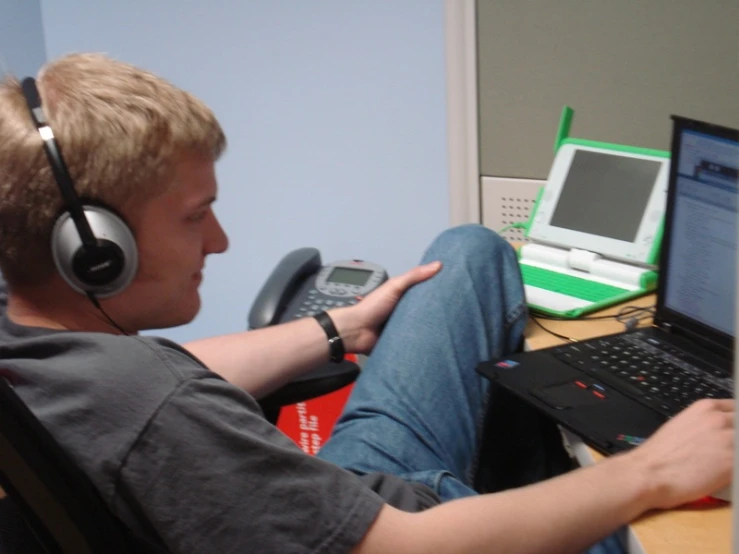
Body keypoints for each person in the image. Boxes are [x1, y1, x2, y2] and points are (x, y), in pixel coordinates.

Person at [0, 53, 732, 554]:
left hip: (328, 501)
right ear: (96, 247)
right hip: (402, 530)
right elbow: (401, 546)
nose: (219, 241)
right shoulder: (152, 410)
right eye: (195, 216)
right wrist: (651, 472)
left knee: (469, 249)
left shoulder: (40, 346)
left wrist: (339, 327)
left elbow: (176, 374)